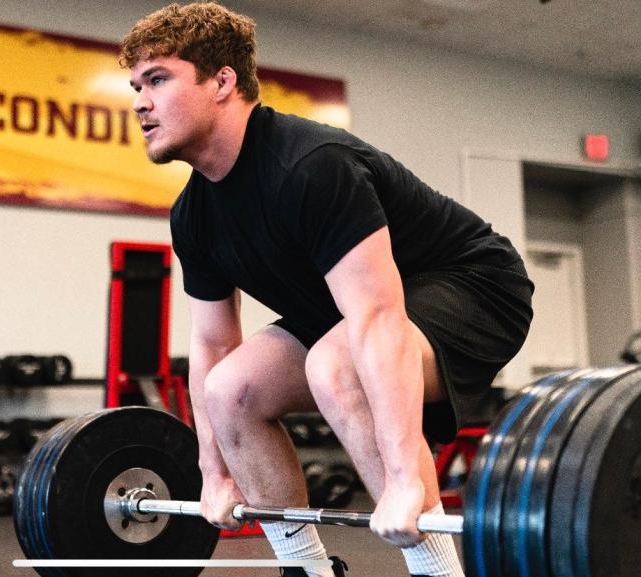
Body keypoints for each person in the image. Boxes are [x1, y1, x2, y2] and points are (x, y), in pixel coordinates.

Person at [120, 4, 533, 577]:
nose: (140, 101)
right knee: (229, 389)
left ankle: (438, 572)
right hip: (348, 312)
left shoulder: (311, 165)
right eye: (136, 85)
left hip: (477, 286)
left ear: (222, 81)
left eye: (158, 79)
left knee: (335, 365)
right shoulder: (194, 214)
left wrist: (403, 479)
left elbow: (376, 320)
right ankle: (307, 569)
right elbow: (213, 344)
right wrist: (213, 471)